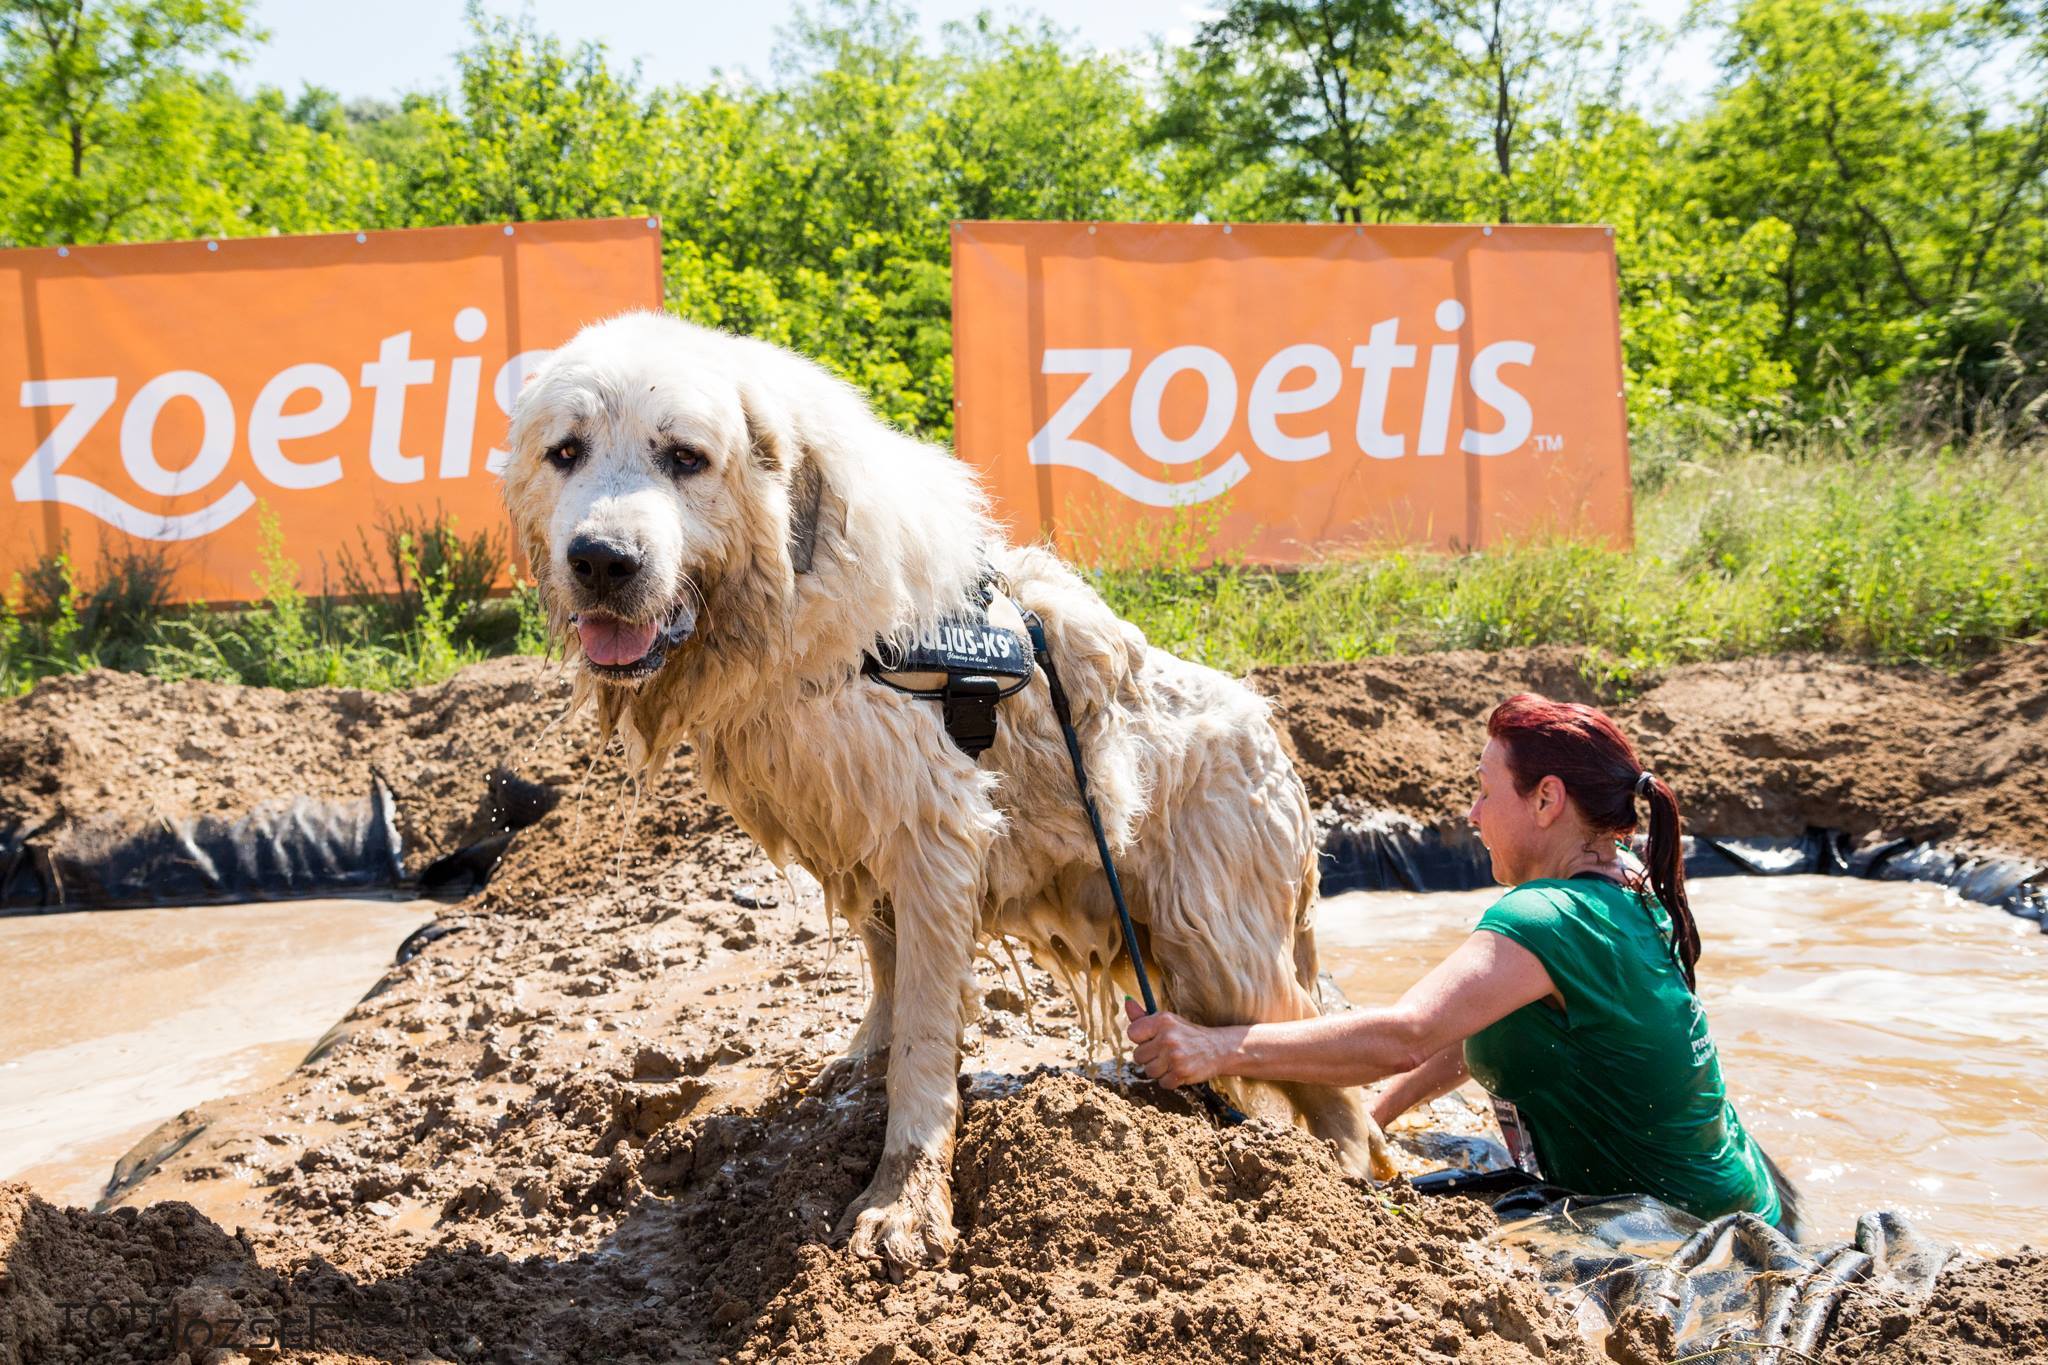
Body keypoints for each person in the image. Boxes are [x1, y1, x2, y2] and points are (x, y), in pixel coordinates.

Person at [1123, 692, 1796, 1230]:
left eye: (1484, 789)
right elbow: (1462, 1028)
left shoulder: (1546, 918)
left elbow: (1408, 1033)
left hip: (1687, 1238)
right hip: (1747, 1202)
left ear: (1546, 799)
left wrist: (1213, 1048)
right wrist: (1373, 1120)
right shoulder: (1628, 881)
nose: (1472, 813)